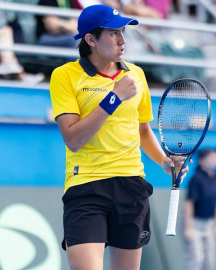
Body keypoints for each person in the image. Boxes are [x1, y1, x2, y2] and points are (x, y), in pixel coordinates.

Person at [49, 5, 188, 269]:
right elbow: (73, 139)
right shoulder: (64, 76)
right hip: (86, 187)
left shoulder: (136, 75)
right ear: (90, 39)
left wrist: (164, 161)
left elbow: (143, 130)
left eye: (122, 32)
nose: (123, 40)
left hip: (131, 185)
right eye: (113, 33)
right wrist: (113, 98)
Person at [183, 148, 216, 270]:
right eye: (211, 157)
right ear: (201, 161)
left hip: (209, 225)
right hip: (195, 224)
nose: (215, 160)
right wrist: (188, 228)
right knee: (196, 258)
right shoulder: (196, 179)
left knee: (209, 260)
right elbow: (189, 204)